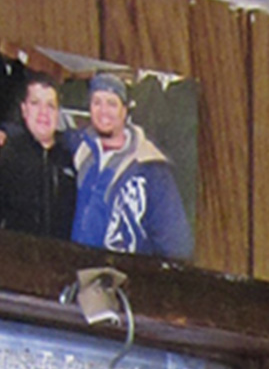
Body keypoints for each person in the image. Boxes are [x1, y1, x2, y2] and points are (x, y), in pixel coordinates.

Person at [70, 70, 192, 261]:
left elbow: (177, 247)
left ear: (124, 111)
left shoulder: (152, 169)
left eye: (112, 103)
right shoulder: (79, 148)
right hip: (76, 266)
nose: (103, 111)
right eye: (97, 102)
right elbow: (44, 135)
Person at [0, 72, 75, 238]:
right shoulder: (2, 153)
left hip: (54, 260)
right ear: (24, 110)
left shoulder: (70, 160)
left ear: (58, 113)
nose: (43, 113)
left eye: (50, 106)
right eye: (35, 103)